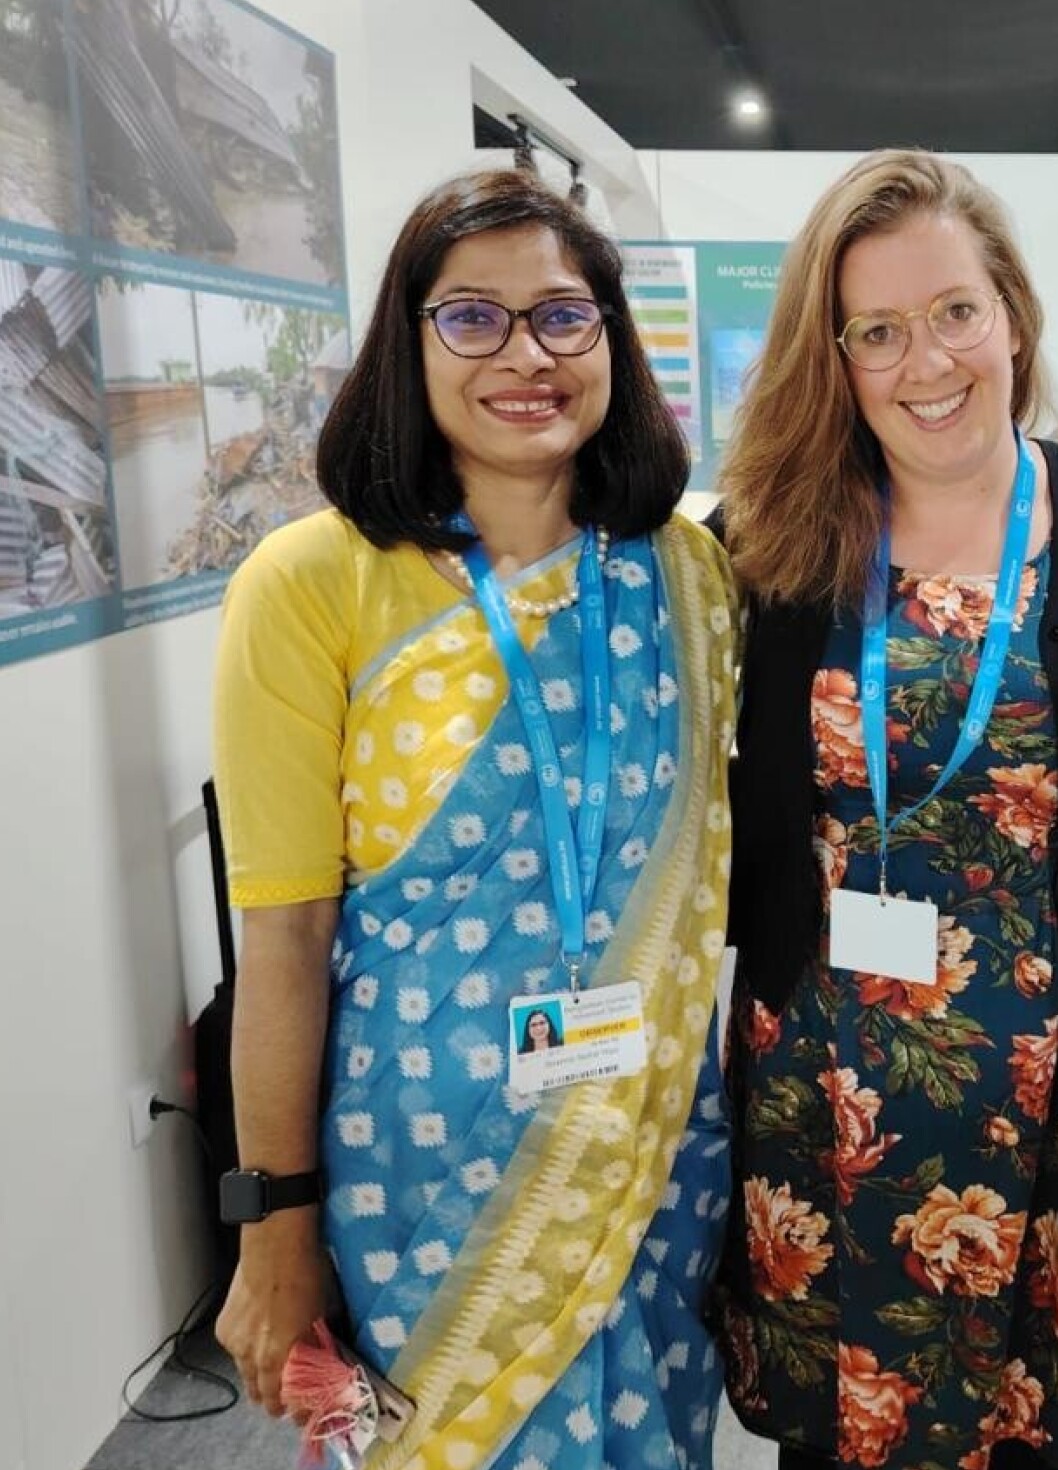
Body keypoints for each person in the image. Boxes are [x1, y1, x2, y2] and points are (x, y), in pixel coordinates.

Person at [211, 168, 739, 1470]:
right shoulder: (310, 582)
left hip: (657, 1146)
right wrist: (273, 1225)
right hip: (413, 1182)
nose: (525, 355)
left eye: (563, 317)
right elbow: (280, 944)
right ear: (410, 339)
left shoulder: (686, 572)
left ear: (612, 336)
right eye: (471, 319)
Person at [711, 149, 1058, 1470]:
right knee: (844, 1423)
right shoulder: (777, 539)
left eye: (953, 313)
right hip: (829, 1068)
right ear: (836, 356)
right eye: (876, 330)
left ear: (1014, 317)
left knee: (1046, 1423)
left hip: (1052, 1070)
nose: (924, 360)